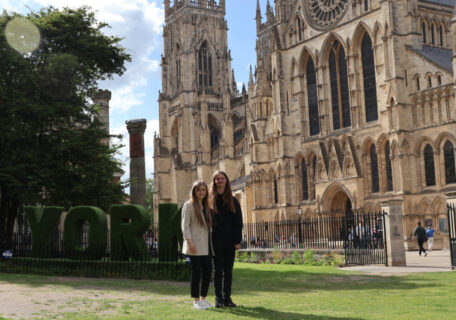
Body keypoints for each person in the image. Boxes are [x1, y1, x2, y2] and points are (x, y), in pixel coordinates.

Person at [209, 170, 243, 308]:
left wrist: (237, 240)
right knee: (217, 271)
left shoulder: (233, 200)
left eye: (222, 178)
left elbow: (238, 221)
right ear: (214, 181)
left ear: (226, 181)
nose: (220, 180)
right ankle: (218, 299)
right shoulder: (210, 200)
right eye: (217, 179)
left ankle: (227, 297)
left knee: (228, 271)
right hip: (216, 240)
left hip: (229, 241)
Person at [181, 181, 214, 310]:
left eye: (204, 190)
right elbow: (185, 225)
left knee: (207, 273)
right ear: (194, 191)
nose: (201, 192)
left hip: (206, 245)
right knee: (196, 273)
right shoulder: (188, 205)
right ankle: (196, 301)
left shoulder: (207, 206)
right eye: (199, 190)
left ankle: (203, 299)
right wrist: (190, 242)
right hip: (194, 244)